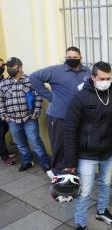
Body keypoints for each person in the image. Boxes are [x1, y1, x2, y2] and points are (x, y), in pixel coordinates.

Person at [63, 61, 112, 230]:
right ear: (92, 78)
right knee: (84, 191)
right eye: (101, 78)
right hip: (87, 155)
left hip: (109, 152)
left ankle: (102, 210)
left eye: (108, 78)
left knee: (105, 183)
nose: (105, 81)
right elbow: (69, 130)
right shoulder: (80, 98)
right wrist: (70, 163)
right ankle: (81, 225)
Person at [30, 47, 90, 176]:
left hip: (80, 116)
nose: (72, 60)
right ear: (65, 58)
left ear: (81, 57)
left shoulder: (87, 71)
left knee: (75, 145)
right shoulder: (55, 70)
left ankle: (73, 172)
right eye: (69, 57)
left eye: (75, 57)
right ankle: (57, 174)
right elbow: (34, 78)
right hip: (59, 116)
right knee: (60, 146)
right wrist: (50, 96)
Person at [0, 57, 50, 172]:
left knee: (35, 141)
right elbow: (0, 100)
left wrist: (36, 112)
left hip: (29, 118)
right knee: (20, 143)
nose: (9, 69)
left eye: (11, 67)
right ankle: (27, 161)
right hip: (12, 120)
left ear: (19, 68)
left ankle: (45, 162)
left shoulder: (30, 80)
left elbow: (38, 97)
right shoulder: (4, 83)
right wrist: (4, 115)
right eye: (8, 67)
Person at [0, 58, 15, 165]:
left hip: (4, 109)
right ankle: (4, 156)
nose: (2, 68)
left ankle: (3, 152)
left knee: (4, 129)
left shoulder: (2, 78)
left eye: (3, 66)